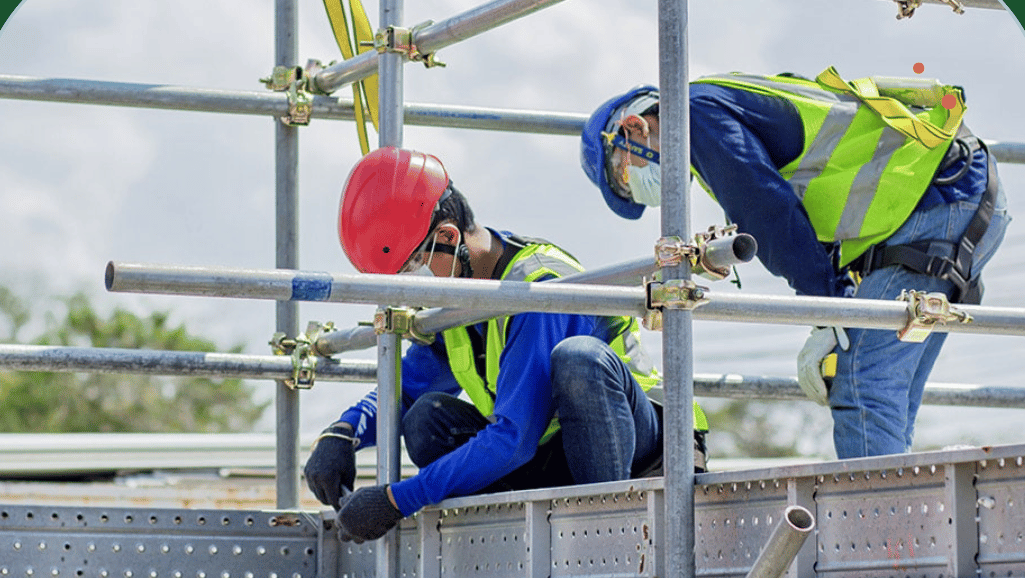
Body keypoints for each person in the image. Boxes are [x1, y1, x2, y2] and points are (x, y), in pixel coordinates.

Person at [580, 66, 1010, 460]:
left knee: (862, 387)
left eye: (623, 173)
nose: (636, 186)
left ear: (633, 127)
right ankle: (902, 525)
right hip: (949, 193)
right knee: (886, 393)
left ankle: (880, 537)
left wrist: (827, 310)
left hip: (936, 199)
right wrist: (832, 303)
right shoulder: (718, 107)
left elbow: (770, 213)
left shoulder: (693, 116)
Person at [304, 146, 709, 543]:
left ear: (448, 237)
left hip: (640, 451)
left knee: (578, 360)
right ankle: (515, 537)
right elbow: (409, 389)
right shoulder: (454, 297)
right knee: (427, 420)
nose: (410, 288)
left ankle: (601, 537)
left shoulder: (539, 287)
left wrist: (396, 500)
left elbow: (513, 438)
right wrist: (343, 432)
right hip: (556, 450)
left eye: (411, 267)